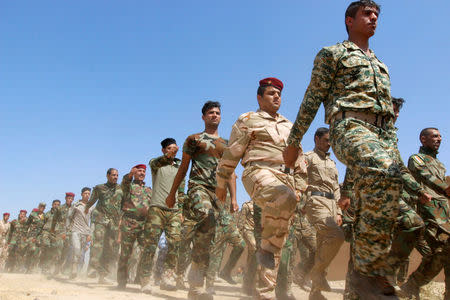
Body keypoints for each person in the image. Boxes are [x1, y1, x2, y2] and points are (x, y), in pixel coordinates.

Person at [283, 1, 404, 297]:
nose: (374, 18)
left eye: (377, 14)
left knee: (394, 184)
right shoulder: (333, 53)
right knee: (381, 172)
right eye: (367, 13)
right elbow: (313, 97)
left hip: (382, 134)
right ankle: (370, 269)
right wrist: (294, 141)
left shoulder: (381, 65)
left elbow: (386, 114)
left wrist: (393, 149)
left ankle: (357, 287)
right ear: (350, 20)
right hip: (349, 126)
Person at [216, 78, 307, 299]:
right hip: (258, 172)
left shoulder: (289, 125)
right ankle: (266, 253)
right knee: (281, 202)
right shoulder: (248, 120)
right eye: (270, 93)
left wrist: (302, 188)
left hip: (285, 179)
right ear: (259, 97)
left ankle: (267, 290)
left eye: (279, 94)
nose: (277, 97)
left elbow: (299, 159)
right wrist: (221, 184)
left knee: (279, 236)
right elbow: (232, 153)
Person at [166, 101, 230, 300]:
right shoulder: (193, 139)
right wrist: (172, 194)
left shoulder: (226, 144)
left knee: (207, 242)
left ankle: (195, 286)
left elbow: (229, 173)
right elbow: (183, 168)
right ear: (203, 117)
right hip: (198, 187)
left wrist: (230, 198)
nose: (214, 115)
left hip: (217, 193)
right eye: (210, 112)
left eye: (217, 112)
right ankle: (189, 234)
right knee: (204, 214)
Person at [400, 128, 450, 299]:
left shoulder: (440, 164)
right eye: (435, 136)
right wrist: (445, 187)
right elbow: (425, 176)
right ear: (423, 139)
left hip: (444, 214)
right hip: (427, 213)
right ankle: (411, 285)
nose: (439, 139)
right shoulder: (416, 159)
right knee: (440, 251)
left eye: (440, 136)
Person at [139, 138, 186, 292]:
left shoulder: (180, 165)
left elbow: (181, 189)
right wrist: (169, 155)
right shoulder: (156, 163)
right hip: (157, 208)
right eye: (169, 149)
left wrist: (181, 211)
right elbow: (156, 163)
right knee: (150, 245)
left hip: (174, 211)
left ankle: (167, 277)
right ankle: (145, 279)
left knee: (175, 244)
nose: (173, 151)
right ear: (164, 150)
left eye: (174, 148)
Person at [205, 176, 245, 295]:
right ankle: (209, 285)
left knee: (241, 245)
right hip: (218, 223)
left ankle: (226, 271)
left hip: (230, 224)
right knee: (215, 255)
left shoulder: (231, 191)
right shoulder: (215, 185)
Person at [117, 164, 151, 291]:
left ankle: (144, 281)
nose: (142, 173)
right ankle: (121, 282)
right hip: (129, 222)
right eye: (139, 171)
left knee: (147, 252)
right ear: (135, 173)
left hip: (144, 224)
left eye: (143, 171)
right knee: (126, 253)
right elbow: (125, 183)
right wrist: (130, 175)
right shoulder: (129, 186)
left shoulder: (148, 190)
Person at [85, 168, 123, 284]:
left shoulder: (121, 189)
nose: (115, 177)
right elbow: (91, 201)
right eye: (113, 175)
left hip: (113, 223)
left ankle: (103, 275)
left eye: (117, 175)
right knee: (98, 243)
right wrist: (86, 208)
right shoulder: (99, 188)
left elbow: (123, 205)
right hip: (101, 219)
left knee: (110, 248)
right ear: (107, 175)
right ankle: (92, 268)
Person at [67, 187, 95, 279]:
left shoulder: (91, 207)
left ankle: (76, 273)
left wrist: (90, 234)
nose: (87, 195)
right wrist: (67, 229)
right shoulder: (76, 205)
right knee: (76, 249)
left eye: (88, 194)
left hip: (85, 232)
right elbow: (69, 217)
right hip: (75, 230)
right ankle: (74, 268)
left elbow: (93, 222)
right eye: (85, 193)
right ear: (82, 194)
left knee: (82, 253)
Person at [237, 201, 258, 296]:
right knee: (254, 247)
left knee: (254, 257)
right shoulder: (247, 205)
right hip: (247, 230)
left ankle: (249, 284)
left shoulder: (264, 204)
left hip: (257, 232)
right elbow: (241, 222)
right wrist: (238, 237)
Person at [39, 199, 64, 274]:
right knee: (47, 246)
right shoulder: (46, 214)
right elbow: (41, 225)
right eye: (55, 204)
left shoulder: (61, 215)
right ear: (52, 205)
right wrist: (38, 236)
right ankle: (44, 266)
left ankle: (52, 267)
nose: (56, 206)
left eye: (58, 205)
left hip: (55, 234)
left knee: (56, 250)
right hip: (46, 232)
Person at [54, 192, 75, 275]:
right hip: (60, 231)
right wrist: (53, 230)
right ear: (65, 198)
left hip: (69, 233)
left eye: (71, 199)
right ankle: (56, 268)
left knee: (65, 252)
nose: (70, 200)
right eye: (68, 198)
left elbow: (73, 221)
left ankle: (60, 268)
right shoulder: (60, 208)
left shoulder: (74, 209)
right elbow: (55, 220)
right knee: (59, 250)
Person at [24, 202, 47, 273]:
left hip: (39, 236)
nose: (42, 208)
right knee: (31, 249)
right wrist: (25, 235)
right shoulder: (33, 214)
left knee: (37, 252)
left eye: (43, 207)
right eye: (41, 206)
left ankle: (31, 268)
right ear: (38, 206)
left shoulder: (44, 216)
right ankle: (27, 266)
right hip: (31, 235)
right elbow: (27, 225)